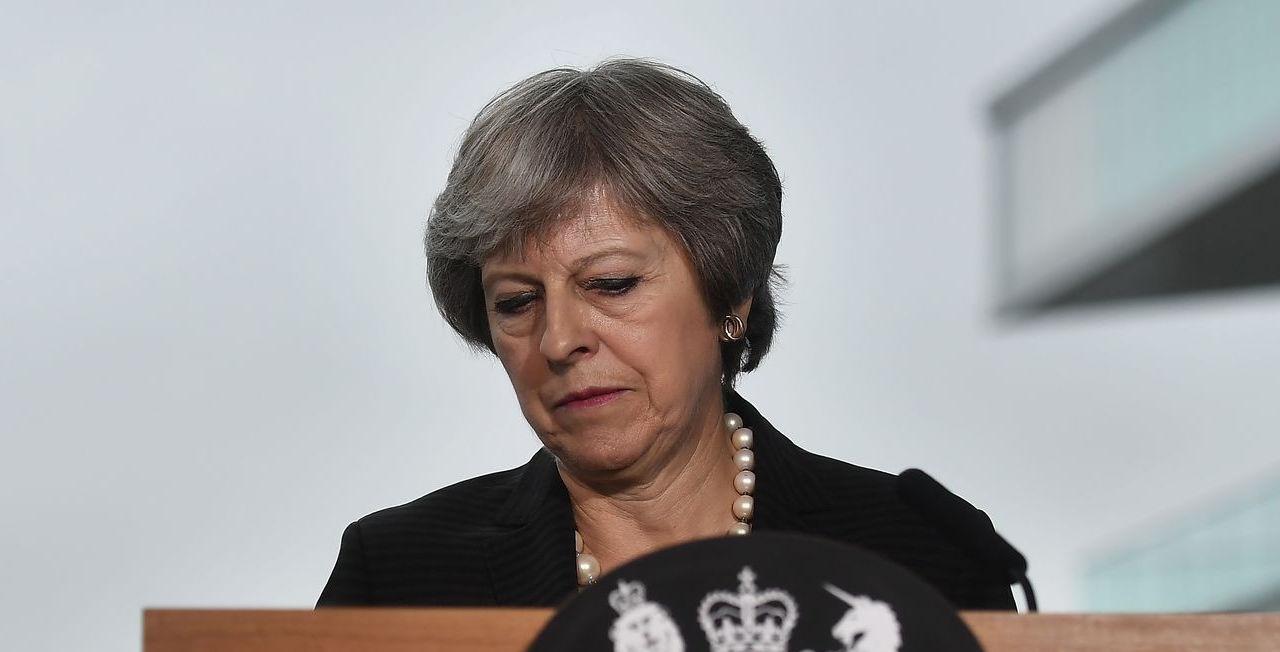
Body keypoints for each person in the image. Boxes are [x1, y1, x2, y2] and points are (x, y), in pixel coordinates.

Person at [319, 59, 1018, 610]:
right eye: (515, 302)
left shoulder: (920, 556)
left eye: (611, 285)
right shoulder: (400, 574)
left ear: (730, 297)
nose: (559, 340)